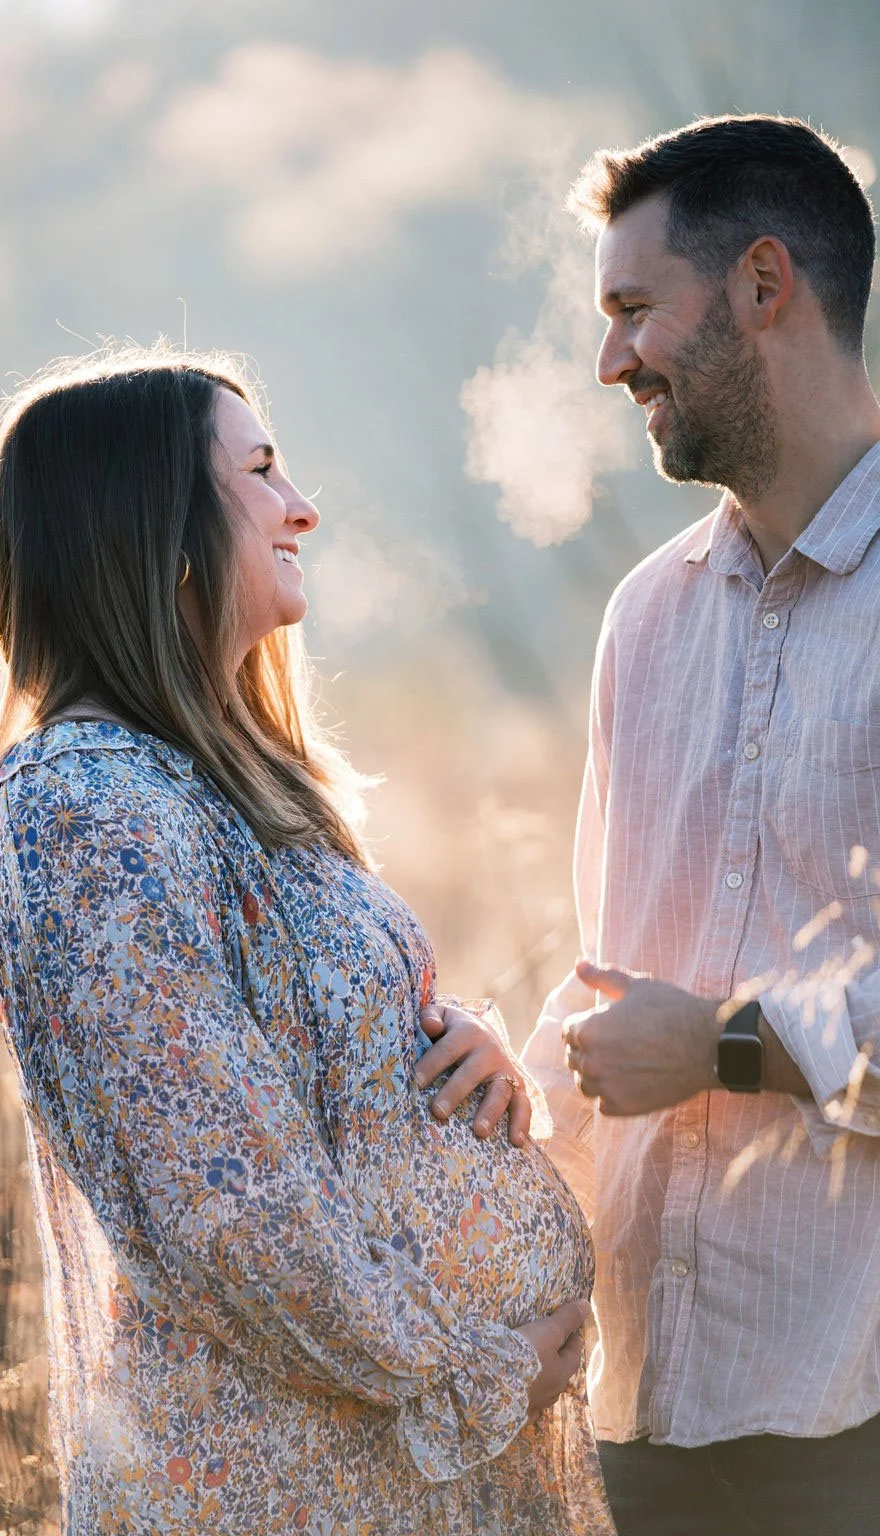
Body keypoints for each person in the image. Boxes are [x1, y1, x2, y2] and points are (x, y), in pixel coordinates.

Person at [0, 351, 614, 1534]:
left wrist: (456, 1056)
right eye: (261, 472)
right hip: (289, 1483)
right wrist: (478, 1375)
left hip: (379, 1470)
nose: (302, 505)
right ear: (149, 523)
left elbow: (286, 1071)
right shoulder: (84, 803)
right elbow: (226, 1206)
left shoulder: (213, 781)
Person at [518, 114, 880, 1534]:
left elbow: (692, 1024)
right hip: (649, 1411)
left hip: (850, 1408)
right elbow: (620, 974)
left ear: (763, 286)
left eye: (632, 310)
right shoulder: (645, 619)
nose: (610, 363)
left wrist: (731, 1044)